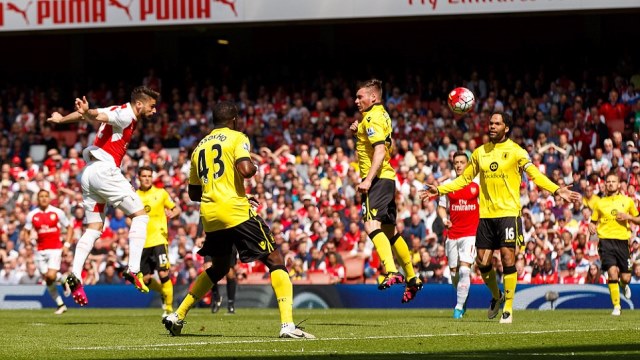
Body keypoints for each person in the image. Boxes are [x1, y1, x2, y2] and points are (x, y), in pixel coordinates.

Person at [162, 101, 314, 339]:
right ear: (233, 120)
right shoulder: (237, 138)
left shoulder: (199, 147)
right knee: (275, 259)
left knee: (220, 267)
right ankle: (287, 325)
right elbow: (245, 169)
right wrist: (254, 166)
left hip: (211, 216)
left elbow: (193, 193)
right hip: (235, 211)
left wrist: (221, 193)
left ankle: (177, 316)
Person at [422, 111, 580, 323]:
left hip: (508, 214)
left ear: (506, 127)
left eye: (497, 123)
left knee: (507, 257)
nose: (492, 126)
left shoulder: (516, 151)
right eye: (491, 123)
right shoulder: (480, 152)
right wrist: (440, 190)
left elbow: (534, 174)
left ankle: (508, 307)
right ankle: (497, 296)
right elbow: (464, 180)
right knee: (482, 261)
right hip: (486, 216)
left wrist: (556, 190)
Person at [47, 86, 160, 306]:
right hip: (105, 170)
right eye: (152, 106)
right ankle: (134, 269)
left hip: (88, 173)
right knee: (140, 215)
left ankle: (76, 274)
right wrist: (89, 112)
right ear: (139, 104)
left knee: (94, 228)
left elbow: (88, 114)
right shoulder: (125, 114)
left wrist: (61, 120)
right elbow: (96, 114)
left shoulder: (120, 110)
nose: (154, 111)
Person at [349, 79, 422, 303]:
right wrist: (358, 131)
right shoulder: (379, 115)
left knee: (371, 223)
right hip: (388, 178)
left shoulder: (371, 118)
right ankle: (412, 278)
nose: (356, 101)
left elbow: (379, 151)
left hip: (378, 178)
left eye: (360, 97)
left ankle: (391, 271)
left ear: (373, 97)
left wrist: (368, 180)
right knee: (390, 233)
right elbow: (373, 144)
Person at [589, 172, 640, 316]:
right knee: (612, 272)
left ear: (618, 184)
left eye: (613, 181)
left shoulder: (627, 201)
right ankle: (617, 306)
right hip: (605, 242)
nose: (610, 183)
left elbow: (638, 219)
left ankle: (624, 285)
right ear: (605, 184)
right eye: (608, 181)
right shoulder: (599, 203)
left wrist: (628, 216)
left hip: (623, 242)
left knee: (625, 277)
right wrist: (591, 226)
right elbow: (592, 222)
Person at [437, 151, 479, 319]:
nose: (459, 165)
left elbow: (484, 206)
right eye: (456, 162)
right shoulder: (448, 184)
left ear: (468, 164)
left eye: (462, 162)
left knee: (464, 270)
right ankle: (463, 298)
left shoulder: (477, 184)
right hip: (453, 234)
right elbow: (441, 207)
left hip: (471, 234)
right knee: (454, 273)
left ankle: (458, 307)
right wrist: (444, 219)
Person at [135, 166, 181, 318]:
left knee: (163, 273)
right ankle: (163, 292)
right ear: (139, 178)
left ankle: (168, 308)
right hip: (142, 242)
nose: (147, 178)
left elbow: (176, 209)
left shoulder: (161, 193)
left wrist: (171, 214)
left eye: (149, 176)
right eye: (144, 176)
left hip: (159, 239)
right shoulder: (134, 196)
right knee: (146, 279)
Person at [21, 190, 74, 315]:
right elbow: (26, 231)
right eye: (41, 197)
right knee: (48, 280)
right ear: (37, 199)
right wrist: (28, 242)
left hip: (55, 248)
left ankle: (63, 280)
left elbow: (69, 228)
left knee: (50, 276)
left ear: (49, 198)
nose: (44, 199)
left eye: (46, 196)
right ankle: (61, 303)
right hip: (39, 251)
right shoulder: (32, 215)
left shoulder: (57, 212)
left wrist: (66, 245)